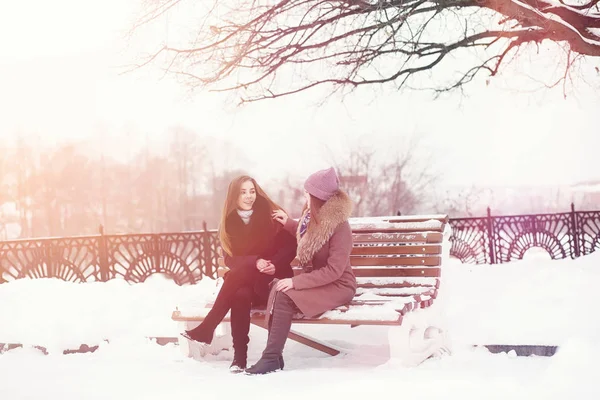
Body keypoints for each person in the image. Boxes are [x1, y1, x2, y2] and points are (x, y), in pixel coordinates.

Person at [245, 167, 357, 375]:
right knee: (279, 289)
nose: (304, 194)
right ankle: (273, 357)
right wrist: (288, 223)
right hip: (321, 281)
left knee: (285, 292)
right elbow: (311, 236)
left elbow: (334, 270)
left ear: (317, 196)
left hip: (339, 285)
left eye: (307, 192)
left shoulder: (340, 227)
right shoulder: (313, 218)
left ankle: (271, 358)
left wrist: (296, 282)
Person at [182, 176, 297, 373]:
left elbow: (290, 247)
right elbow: (230, 260)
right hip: (246, 284)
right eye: (243, 192)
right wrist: (255, 261)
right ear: (234, 196)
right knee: (240, 294)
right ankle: (239, 358)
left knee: (236, 278)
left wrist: (274, 265)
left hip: (271, 283)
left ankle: (208, 327)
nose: (249, 196)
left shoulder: (272, 215)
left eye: (252, 191)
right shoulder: (230, 223)